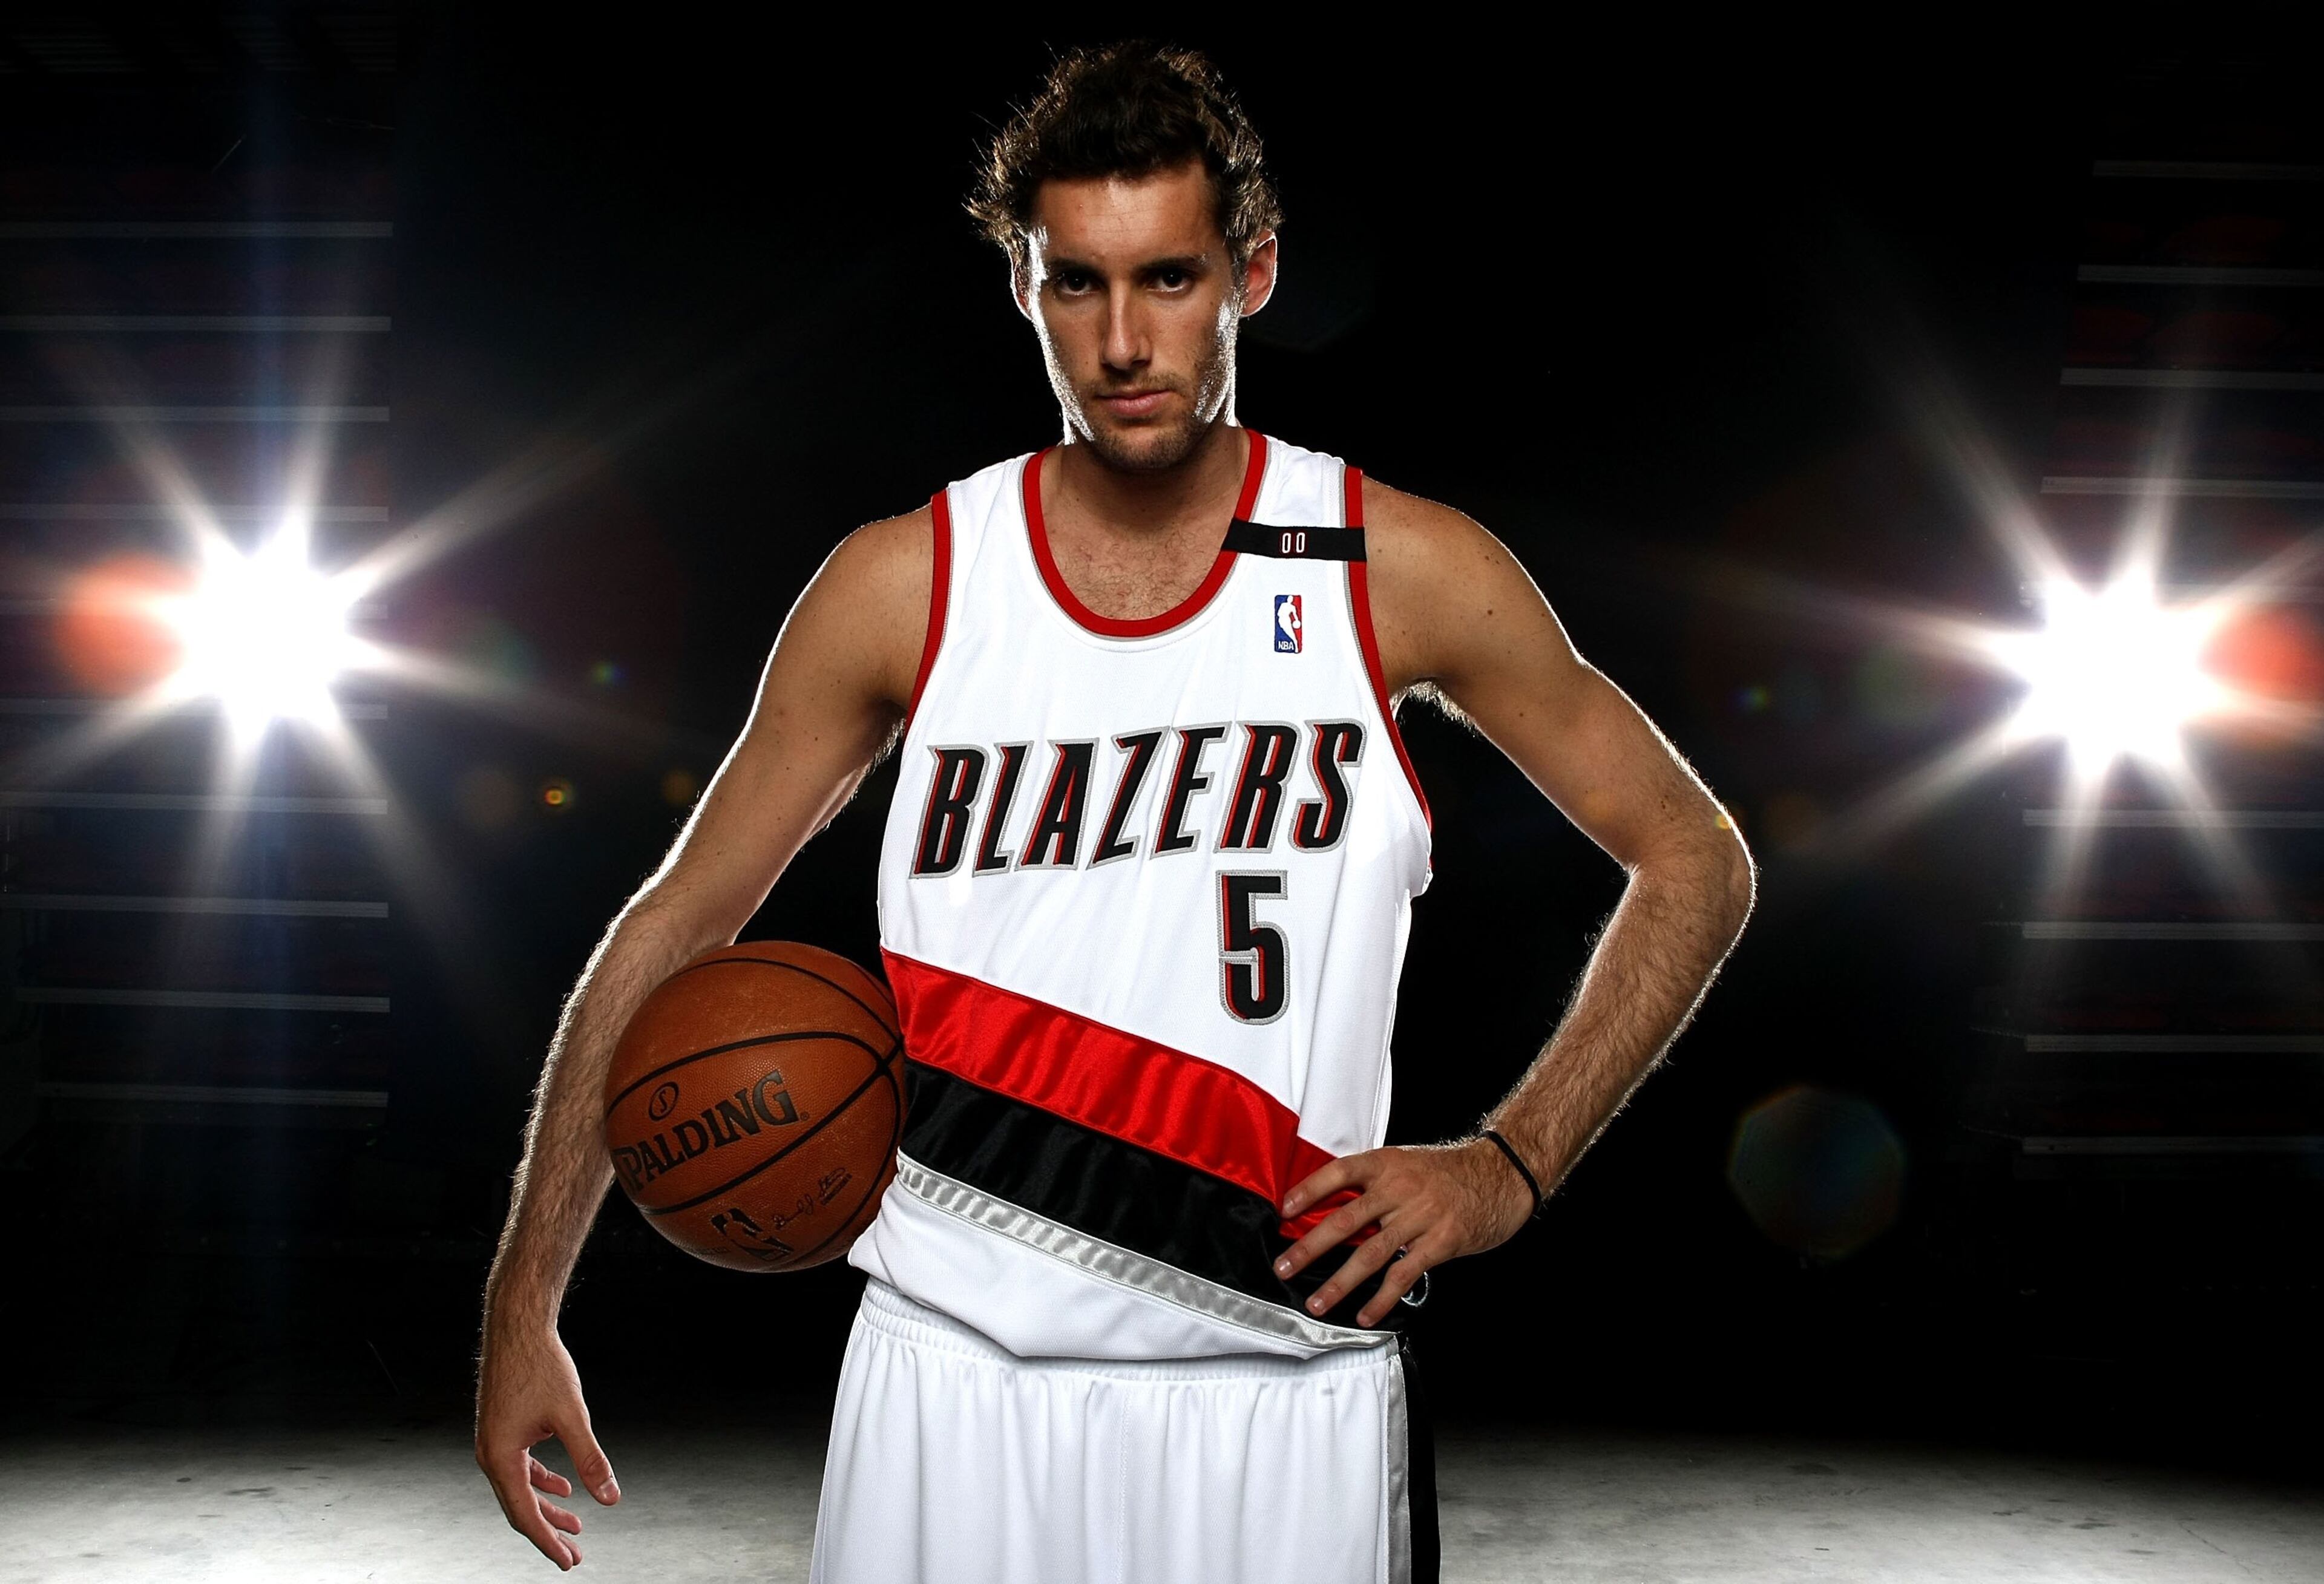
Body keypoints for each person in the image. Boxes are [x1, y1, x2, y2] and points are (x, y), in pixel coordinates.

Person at [474, 40, 1754, 1584]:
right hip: (950, 1380)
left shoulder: (1394, 567)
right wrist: (524, 1300)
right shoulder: (907, 583)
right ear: (1023, 286)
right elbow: (677, 921)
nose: (1124, 339)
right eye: (1074, 284)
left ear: (1254, 275)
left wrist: (1510, 1161)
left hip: (1278, 1385)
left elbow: (1697, 855)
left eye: (1169, 279)